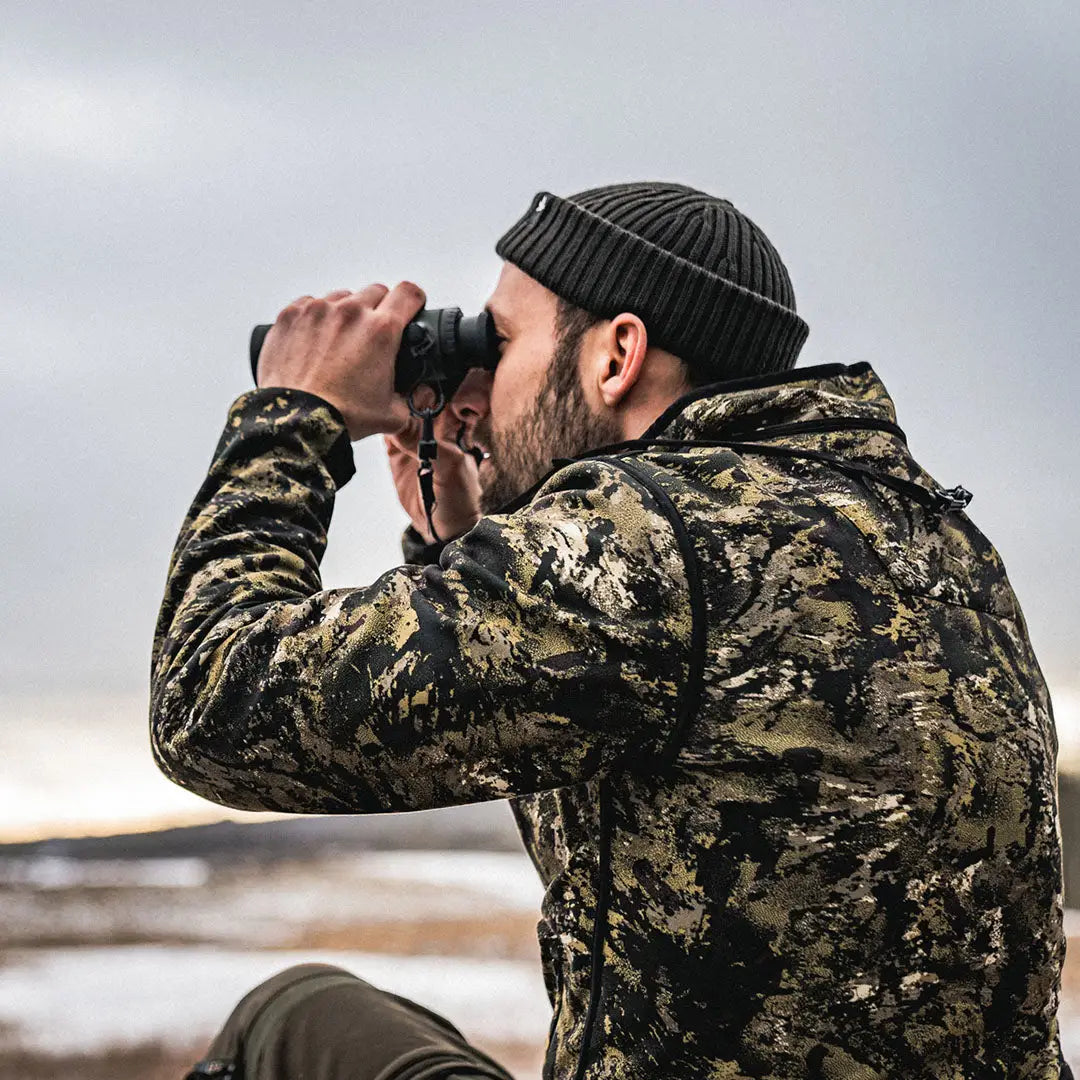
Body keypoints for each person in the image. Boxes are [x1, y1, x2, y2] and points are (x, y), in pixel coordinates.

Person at [152, 183, 1069, 1080]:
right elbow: (608, 780)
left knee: (283, 1019)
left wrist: (292, 414)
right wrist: (461, 546)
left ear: (615, 355)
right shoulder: (931, 536)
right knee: (327, 1015)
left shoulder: (645, 533)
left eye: (499, 345)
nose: (473, 392)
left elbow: (210, 704)